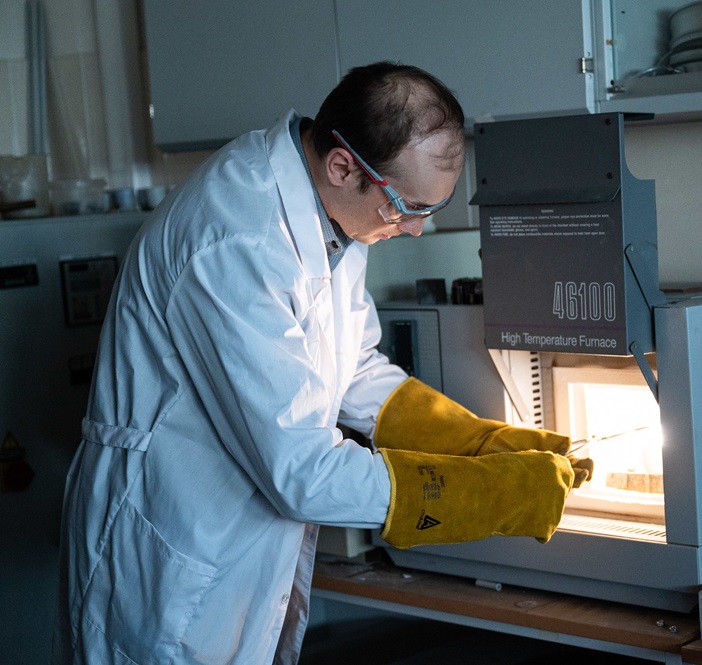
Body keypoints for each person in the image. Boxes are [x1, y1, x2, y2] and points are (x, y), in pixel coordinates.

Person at [54, 62, 587, 665]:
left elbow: (350, 368)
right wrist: (492, 494)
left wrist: (477, 440)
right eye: (408, 207)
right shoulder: (236, 239)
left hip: (235, 544)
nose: (416, 229)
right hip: (172, 548)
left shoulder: (338, 214)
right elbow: (302, 472)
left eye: (430, 210)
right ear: (342, 167)